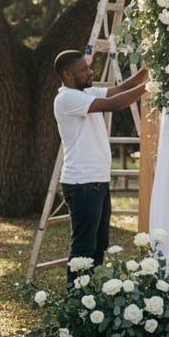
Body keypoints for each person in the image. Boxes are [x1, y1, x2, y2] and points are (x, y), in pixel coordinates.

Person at [53, 50, 148, 286]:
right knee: (84, 248)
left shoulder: (84, 92)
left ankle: (91, 298)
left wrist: (150, 70)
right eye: (83, 69)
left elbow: (119, 89)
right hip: (82, 183)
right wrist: (150, 87)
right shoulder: (67, 98)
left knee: (98, 245)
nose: (90, 71)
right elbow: (114, 104)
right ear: (67, 74)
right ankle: (76, 303)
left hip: (96, 182)